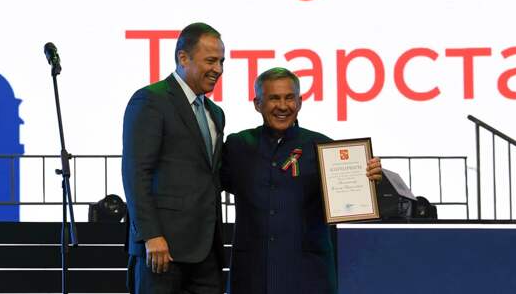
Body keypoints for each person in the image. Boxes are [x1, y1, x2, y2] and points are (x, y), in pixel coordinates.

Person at [221, 67, 382, 294]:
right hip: (252, 275)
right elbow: (206, 184)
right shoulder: (238, 145)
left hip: (308, 276)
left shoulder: (323, 148)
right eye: (274, 98)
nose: (283, 106)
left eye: (289, 98)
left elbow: (351, 202)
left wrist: (369, 179)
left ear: (300, 102)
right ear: (257, 104)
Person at [122, 22, 226, 294]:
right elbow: (136, 173)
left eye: (221, 62)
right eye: (211, 61)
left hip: (206, 254)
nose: (218, 69)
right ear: (183, 58)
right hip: (161, 251)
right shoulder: (150, 100)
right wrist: (151, 235)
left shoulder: (215, 113)